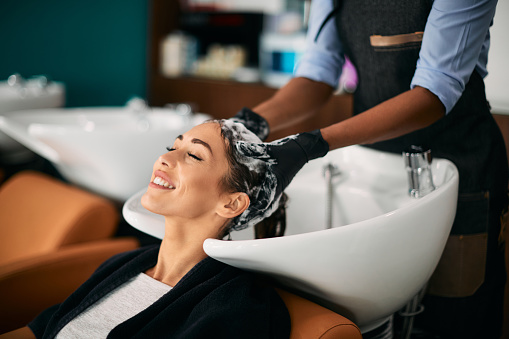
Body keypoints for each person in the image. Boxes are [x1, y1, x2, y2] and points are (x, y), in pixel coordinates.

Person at [232, 0, 508, 338]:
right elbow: (318, 72)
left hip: (459, 163)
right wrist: (246, 125)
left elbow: (434, 91)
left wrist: (312, 144)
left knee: (453, 318)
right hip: (373, 165)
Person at [23, 120, 291, 338]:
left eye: (194, 155)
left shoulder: (234, 308)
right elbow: (42, 329)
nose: (163, 158)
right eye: (172, 147)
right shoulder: (123, 264)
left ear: (232, 203)